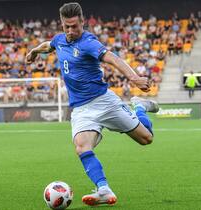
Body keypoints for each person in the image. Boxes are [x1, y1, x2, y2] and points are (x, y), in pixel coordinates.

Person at [25, 2, 159, 207]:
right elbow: (48, 45)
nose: (70, 31)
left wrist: (133, 78)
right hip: (80, 109)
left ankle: (139, 106)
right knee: (81, 146)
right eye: (66, 26)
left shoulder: (88, 42)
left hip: (104, 102)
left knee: (146, 139)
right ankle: (103, 189)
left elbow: (112, 58)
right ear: (61, 24)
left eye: (74, 26)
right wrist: (34, 51)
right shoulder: (59, 40)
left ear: (82, 22)